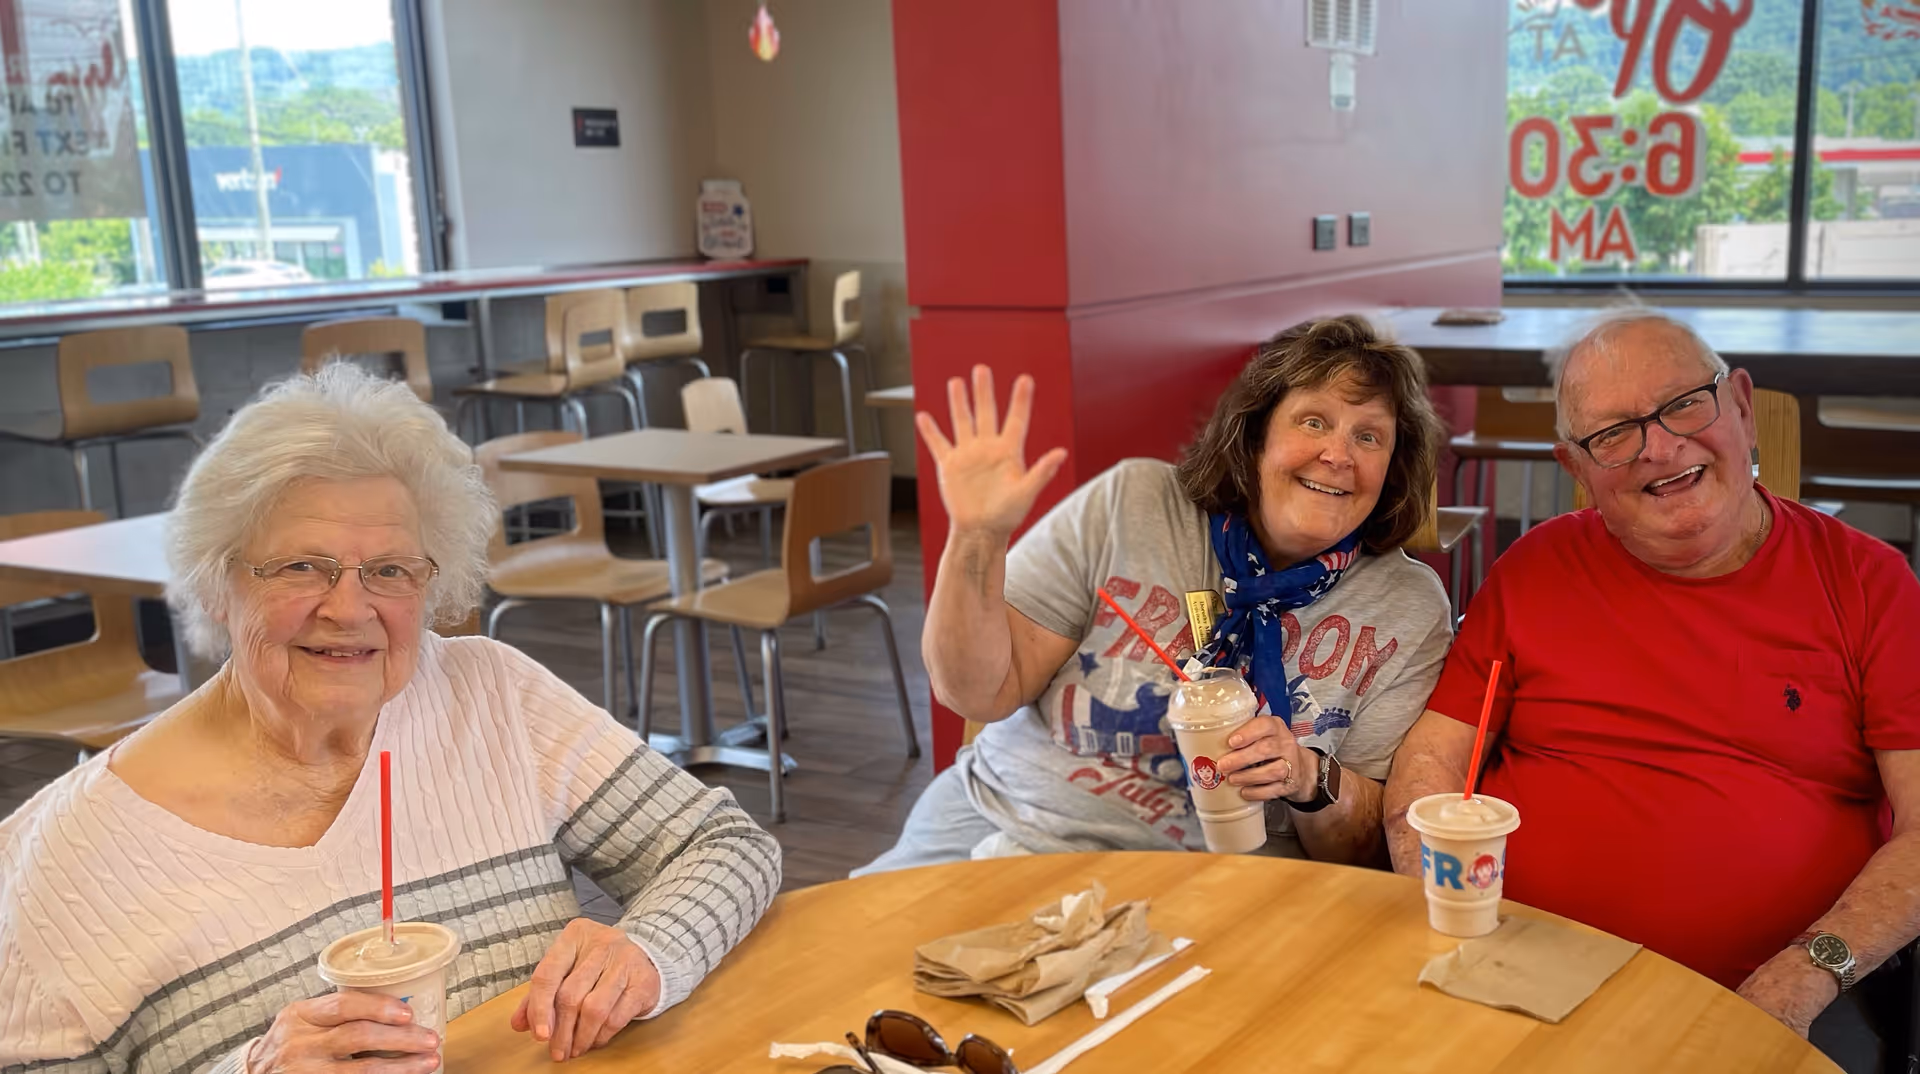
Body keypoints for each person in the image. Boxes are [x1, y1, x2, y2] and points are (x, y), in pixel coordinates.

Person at [0, 364, 782, 1074]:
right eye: (301, 566)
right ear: (216, 584)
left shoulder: (492, 696)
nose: (349, 608)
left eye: (389, 571)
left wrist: (646, 950)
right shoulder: (60, 866)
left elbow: (723, 846)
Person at [1383, 308, 1920, 1071]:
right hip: (1511, 985)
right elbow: (1432, 760)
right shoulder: (1534, 569)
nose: (1659, 447)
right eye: (1613, 434)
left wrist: (1800, 980)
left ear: (1739, 402)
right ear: (1576, 466)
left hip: (1761, 1001)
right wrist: (1438, 913)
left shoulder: (1868, 583)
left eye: (1682, 405)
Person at [858, 315, 1453, 873]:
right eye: (1314, 421)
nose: (1338, 455)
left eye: (1369, 437)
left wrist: (1306, 775)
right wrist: (977, 538)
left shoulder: (1407, 606)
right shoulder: (1132, 504)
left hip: (1215, 882)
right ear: (1254, 437)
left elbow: (1365, 848)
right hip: (1005, 826)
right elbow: (978, 692)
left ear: (1393, 469)